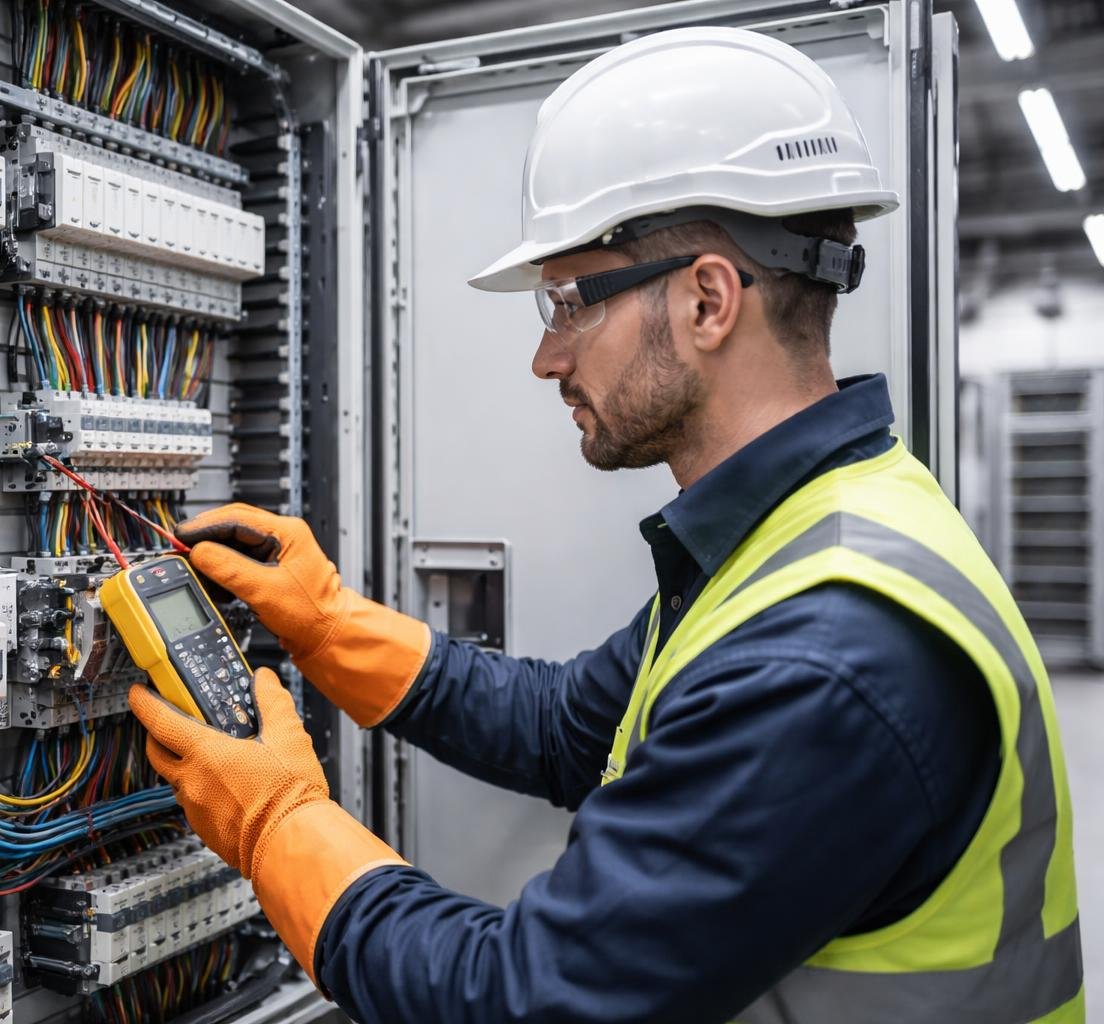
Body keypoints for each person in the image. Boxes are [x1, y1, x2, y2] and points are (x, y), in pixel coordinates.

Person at [128, 26, 1084, 1023]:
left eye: (568, 303)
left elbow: (519, 1002)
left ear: (709, 299)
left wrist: (282, 821)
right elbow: (566, 728)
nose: (548, 357)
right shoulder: (808, 531)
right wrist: (326, 624)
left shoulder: (823, 655)